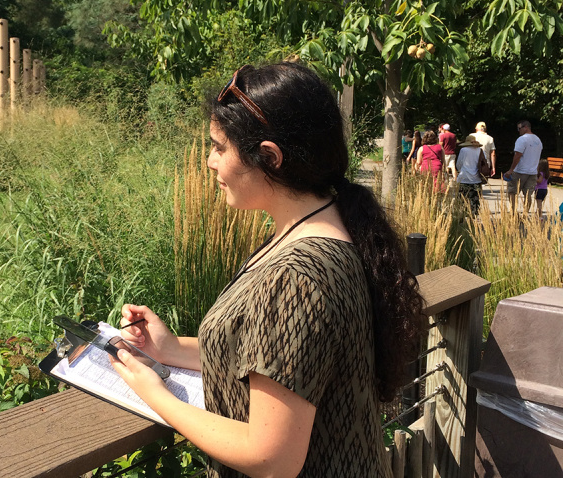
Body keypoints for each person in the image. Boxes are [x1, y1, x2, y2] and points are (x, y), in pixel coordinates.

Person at [110, 63, 424, 478]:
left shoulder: (297, 276)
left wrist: (157, 394)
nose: (209, 161)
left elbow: (271, 457)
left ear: (270, 157)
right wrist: (170, 349)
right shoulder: (328, 226)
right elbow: (283, 363)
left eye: (220, 148)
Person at [504, 120, 543, 213]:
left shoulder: (522, 139)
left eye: (519, 128)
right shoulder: (538, 140)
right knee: (528, 194)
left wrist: (511, 170)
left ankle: (513, 213)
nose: (518, 130)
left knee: (512, 192)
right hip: (532, 172)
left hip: (520, 171)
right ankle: (525, 214)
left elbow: (518, 155)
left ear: (526, 127)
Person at [456, 134, 485, 215]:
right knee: (475, 199)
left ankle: (463, 215)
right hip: (476, 178)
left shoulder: (463, 150)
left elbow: (459, 163)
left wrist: (460, 170)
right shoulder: (480, 150)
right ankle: (474, 216)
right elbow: (484, 163)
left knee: (462, 198)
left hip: (464, 177)